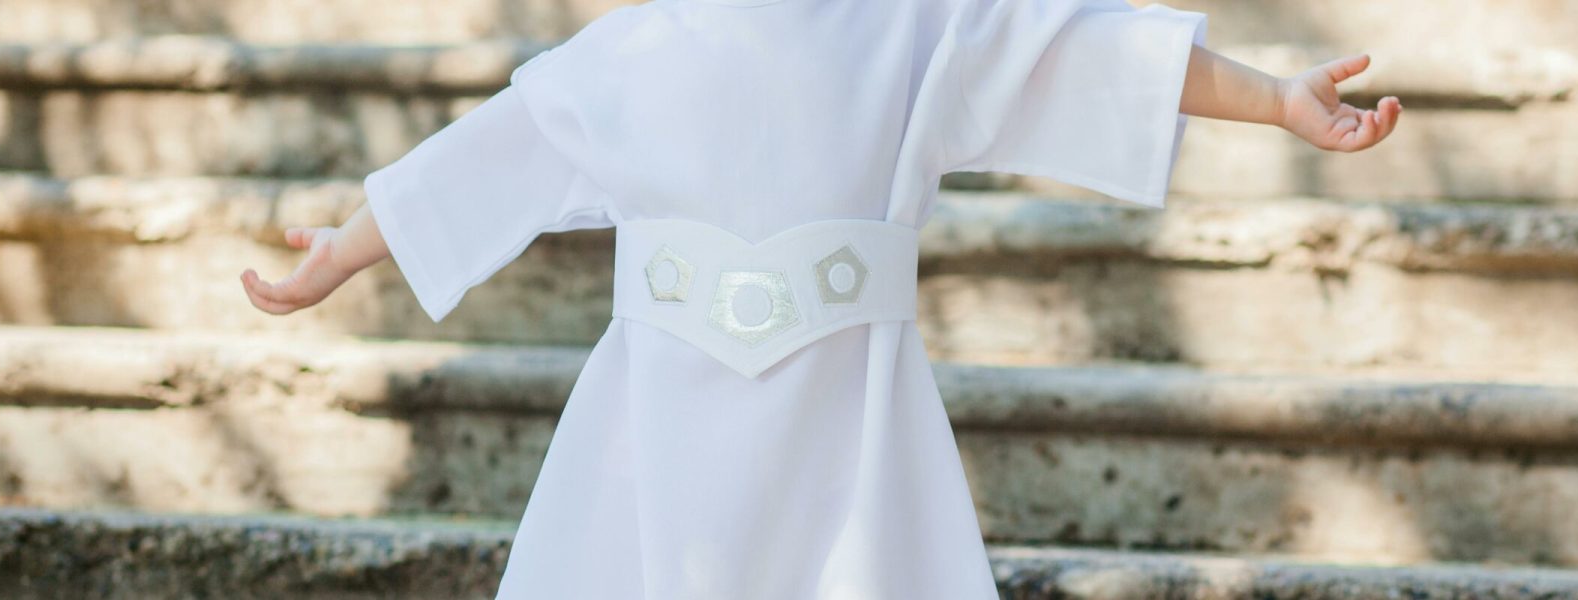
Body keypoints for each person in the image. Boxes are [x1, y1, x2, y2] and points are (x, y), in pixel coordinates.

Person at [240, 0, 1399, 596]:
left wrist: (1274, 98)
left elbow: (1086, 54)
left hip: (849, 435)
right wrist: (339, 251)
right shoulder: (630, 53)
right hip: (660, 437)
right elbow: (486, 161)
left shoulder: (912, 25)